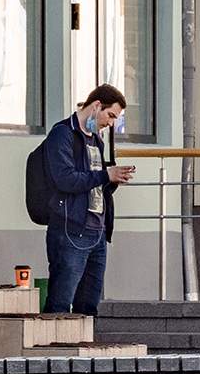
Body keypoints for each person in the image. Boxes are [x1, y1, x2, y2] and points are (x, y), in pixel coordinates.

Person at [42, 85, 135, 315]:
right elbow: (64, 179)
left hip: (97, 231)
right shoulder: (63, 134)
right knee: (61, 301)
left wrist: (111, 179)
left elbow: (91, 181)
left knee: (89, 305)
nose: (111, 123)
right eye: (110, 115)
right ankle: (54, 350)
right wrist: (106, 175)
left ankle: (85, 348)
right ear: (96, 106)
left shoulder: (96, 140)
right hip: (71, 229)